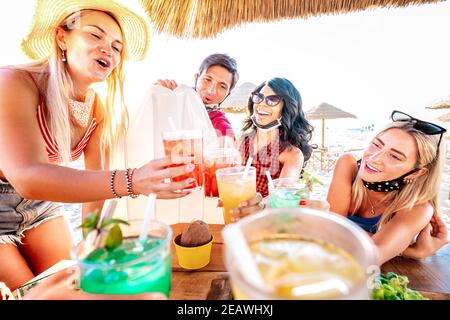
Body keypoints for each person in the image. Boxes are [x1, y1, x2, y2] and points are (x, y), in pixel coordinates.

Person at [0, 0, 194, 291]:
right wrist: (134, 180)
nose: (108, 50)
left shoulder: (98, 108)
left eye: (117, 47)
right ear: (61, 37)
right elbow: (26, 176)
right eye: (95, 35)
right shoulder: (14, 82)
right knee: (33, 294)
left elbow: (97, 191)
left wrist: (96, 238)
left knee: (80, 284)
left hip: (41, 207)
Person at [327, 110, 448, 264]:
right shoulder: (348, 164)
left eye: (395, 156)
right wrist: (411, 251)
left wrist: (333, 226)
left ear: (416, 173)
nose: (374, 158)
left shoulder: (418, 208)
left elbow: (371, 257)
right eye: (377, 145)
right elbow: (329, 231)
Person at [156, 53, 239, 144]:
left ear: (227, 94)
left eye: (222, 86)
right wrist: (160, 94)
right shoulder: (175, 101)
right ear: (196, 78)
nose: (211, 91)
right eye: (207, 79)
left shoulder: (222, 128)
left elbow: (227, 154)